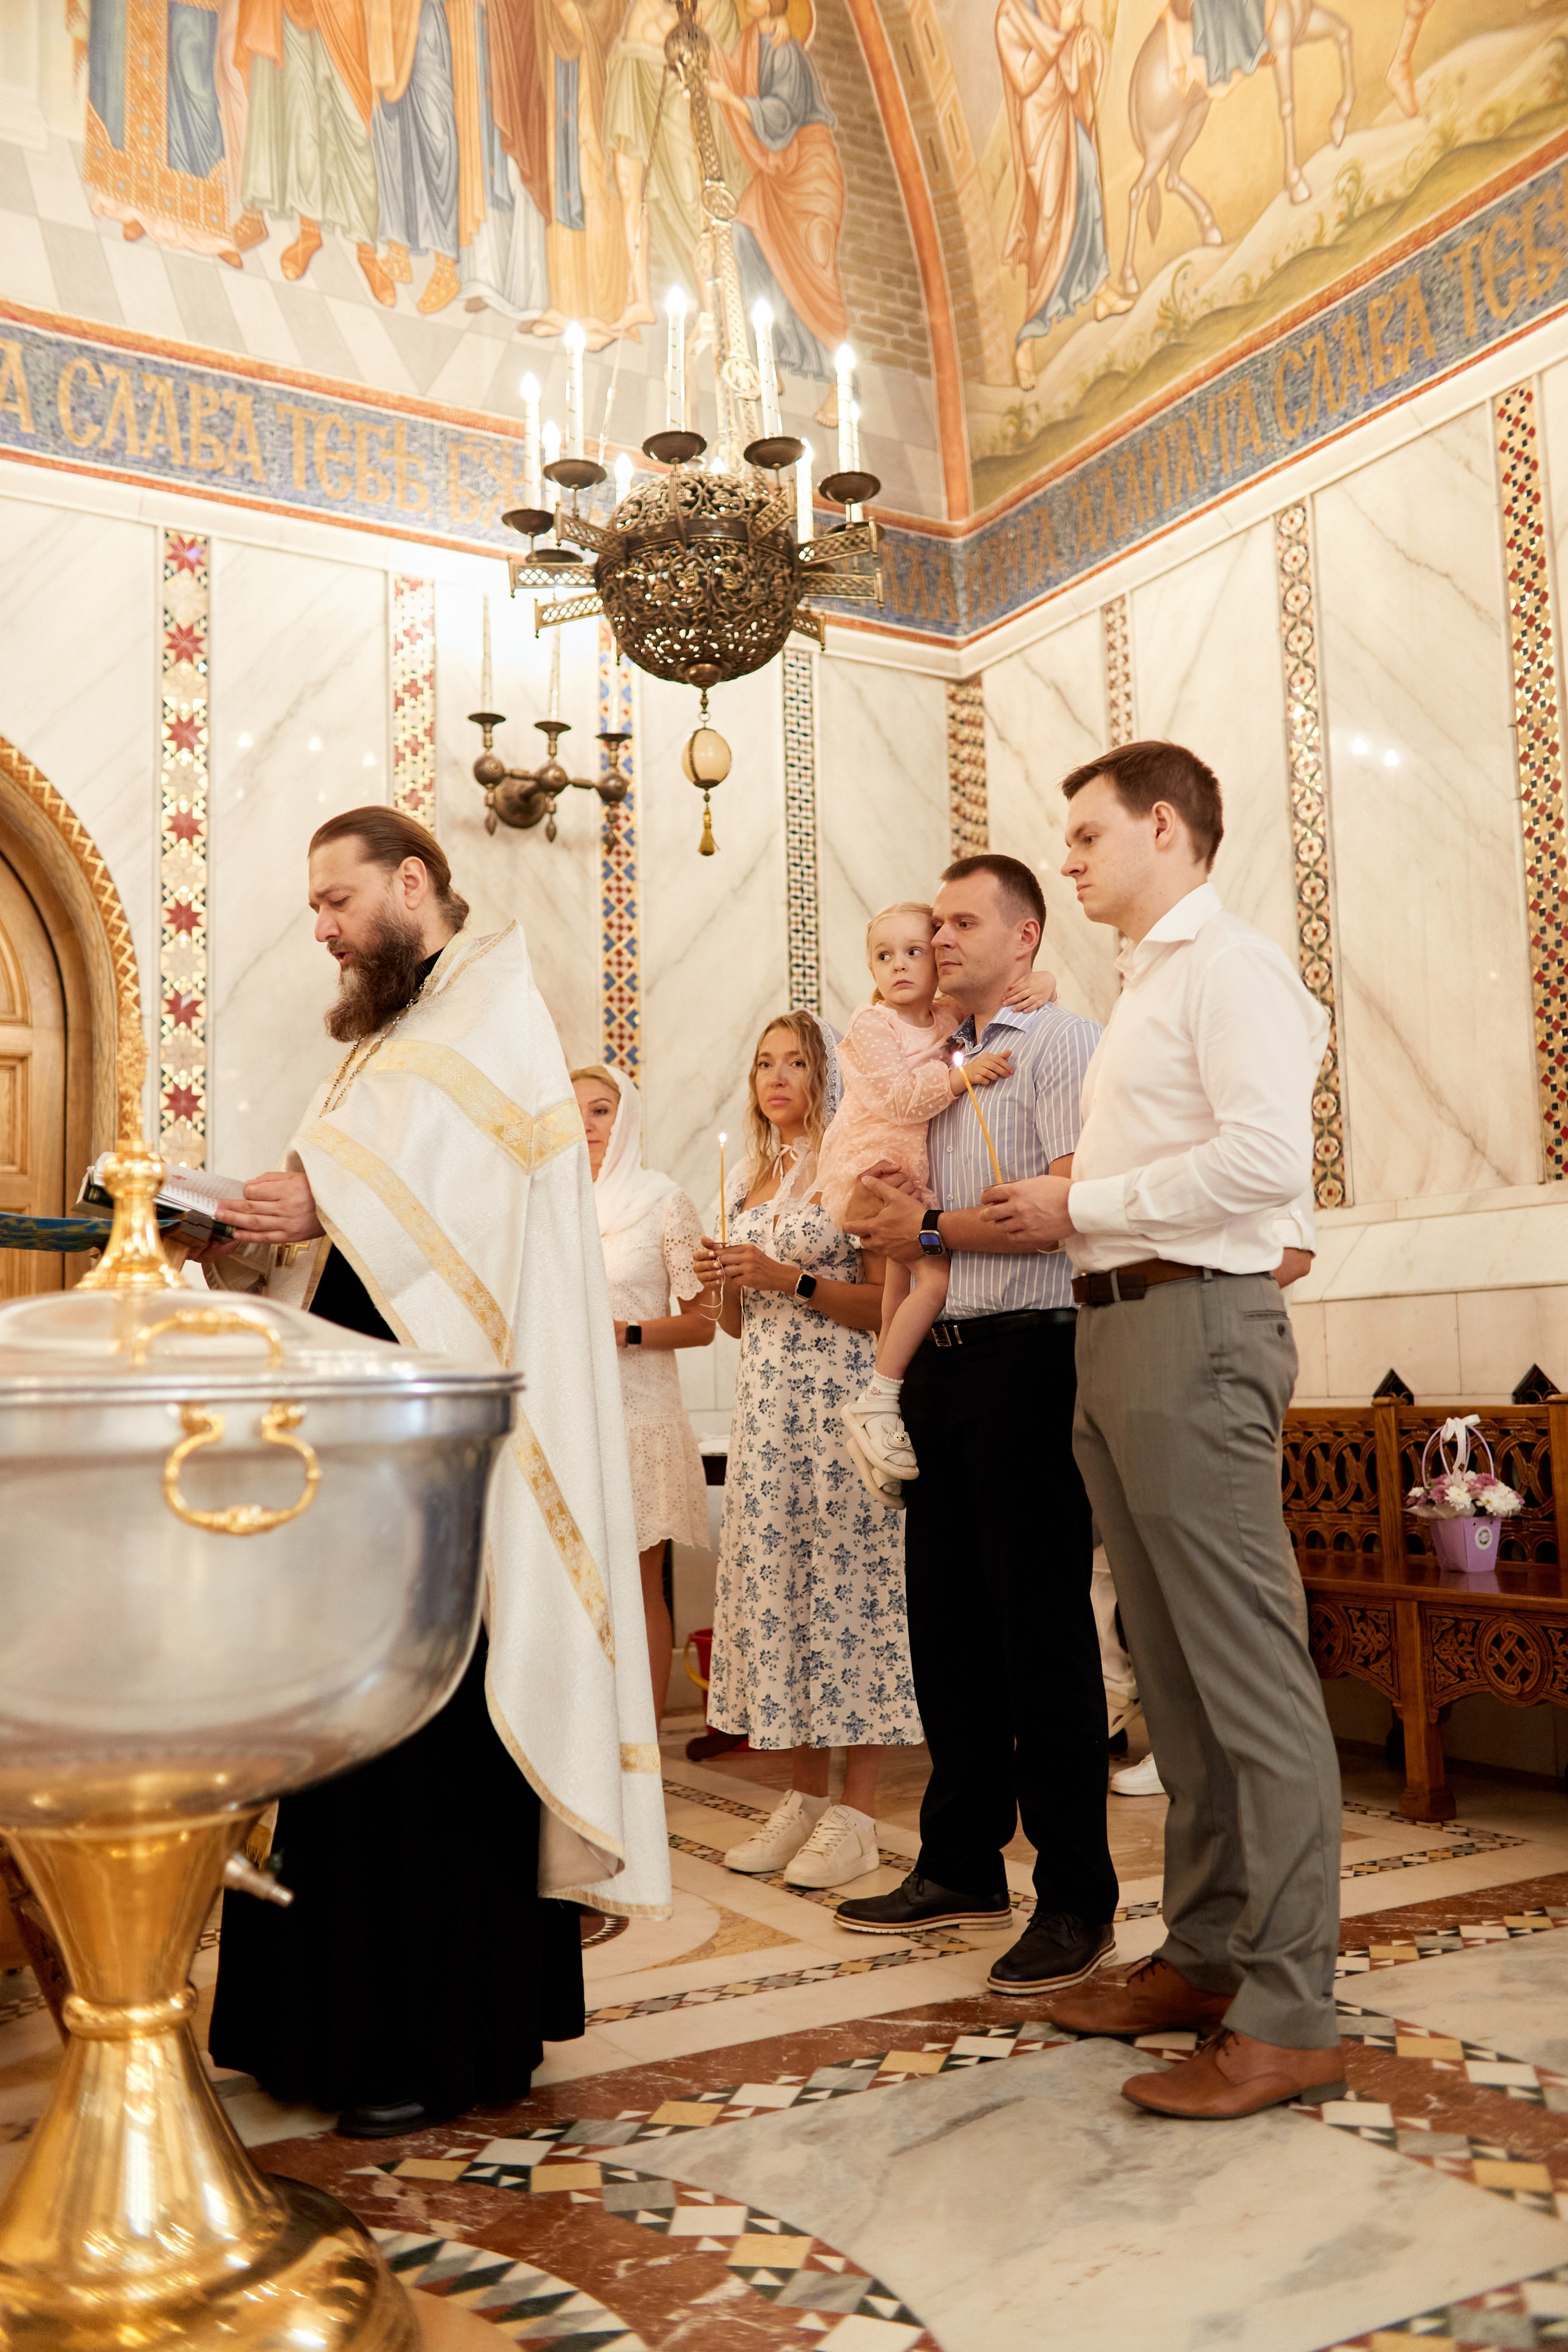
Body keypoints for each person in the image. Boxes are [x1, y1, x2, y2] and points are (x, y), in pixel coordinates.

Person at [206, 806, 669, 2138]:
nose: (323, 928)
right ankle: (307, 2021)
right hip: (357, 1451)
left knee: (429, 1742)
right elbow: (350, 1237)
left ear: (414, 883)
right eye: (314, 907)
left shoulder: (496, 1016)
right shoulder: (384, 1046)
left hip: (452, 1470)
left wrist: (325, 1198)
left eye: (338, 900)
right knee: (342, 1734)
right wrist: (243, 1231)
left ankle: (427, 2036)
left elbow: (467, 1226)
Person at [981, 739, 1344, 2120]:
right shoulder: (1150, 984)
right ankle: (1201, 1954)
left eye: (1081, 837)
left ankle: (1290, 2006)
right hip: (1121, 1328)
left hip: (1192, 1327)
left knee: (1245, 1674)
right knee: (1173, 1680)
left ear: (1158, 827)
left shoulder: (1228, 966)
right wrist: (1091, 1195)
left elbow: (1264, 1164)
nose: (1065, 860)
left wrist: (1083, 1206)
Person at [837, 856, 1118, 1999]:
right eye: (934, 921)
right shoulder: (934, 1056)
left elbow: (1053, 1209)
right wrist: (906, 1227)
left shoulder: (1061, 1044)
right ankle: (959, 1859)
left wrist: (932, 1229)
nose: (941, 940)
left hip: (1029, 1354)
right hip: (939, 1366)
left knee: (1038, 1631)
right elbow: (882, 1213)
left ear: (1026, 933)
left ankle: (1076, 1898)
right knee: (942, 1621)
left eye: (963, 922)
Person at [693, 1012, 919, 1890]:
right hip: (768, 1419)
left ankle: (857, 1814)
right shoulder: (757, 1176)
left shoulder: (851, 1167)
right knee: (785, 1598)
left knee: (849, 1601)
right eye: (763, 1064)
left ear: (826, 1075)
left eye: (794, 1062)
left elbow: (883, 1303)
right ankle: (802, 1799)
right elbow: (740, 1326)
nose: (776, 1077)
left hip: (838, 1411)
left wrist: (785, 1276)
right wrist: (722, 1284)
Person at [821, 901, 1049, 1498]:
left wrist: (1043, 982)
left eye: (913, 951)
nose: (897, 966)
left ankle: (884, 1400)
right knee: (934, 1282)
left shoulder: (948, 1015)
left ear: (937, 956)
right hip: (868, 1173)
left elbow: (1006, 995)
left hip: (908, 1177)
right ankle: (878, 1398)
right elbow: (898, 1099)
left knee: (903, 1283)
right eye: (882, 955)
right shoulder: (871, 1024)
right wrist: (962, 1078)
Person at [571, 1063, 714, 1723]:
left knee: (636, 1585)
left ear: (624, 1117)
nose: (586, 1124)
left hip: (641, 1418)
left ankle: (643, 1752)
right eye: (571, 1110)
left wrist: (623, 1332)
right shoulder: (549, 1204)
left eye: (600, 1110)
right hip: (569, 1417)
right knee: (576, 1588)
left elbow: (701, 1323)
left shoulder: (664, 1200)